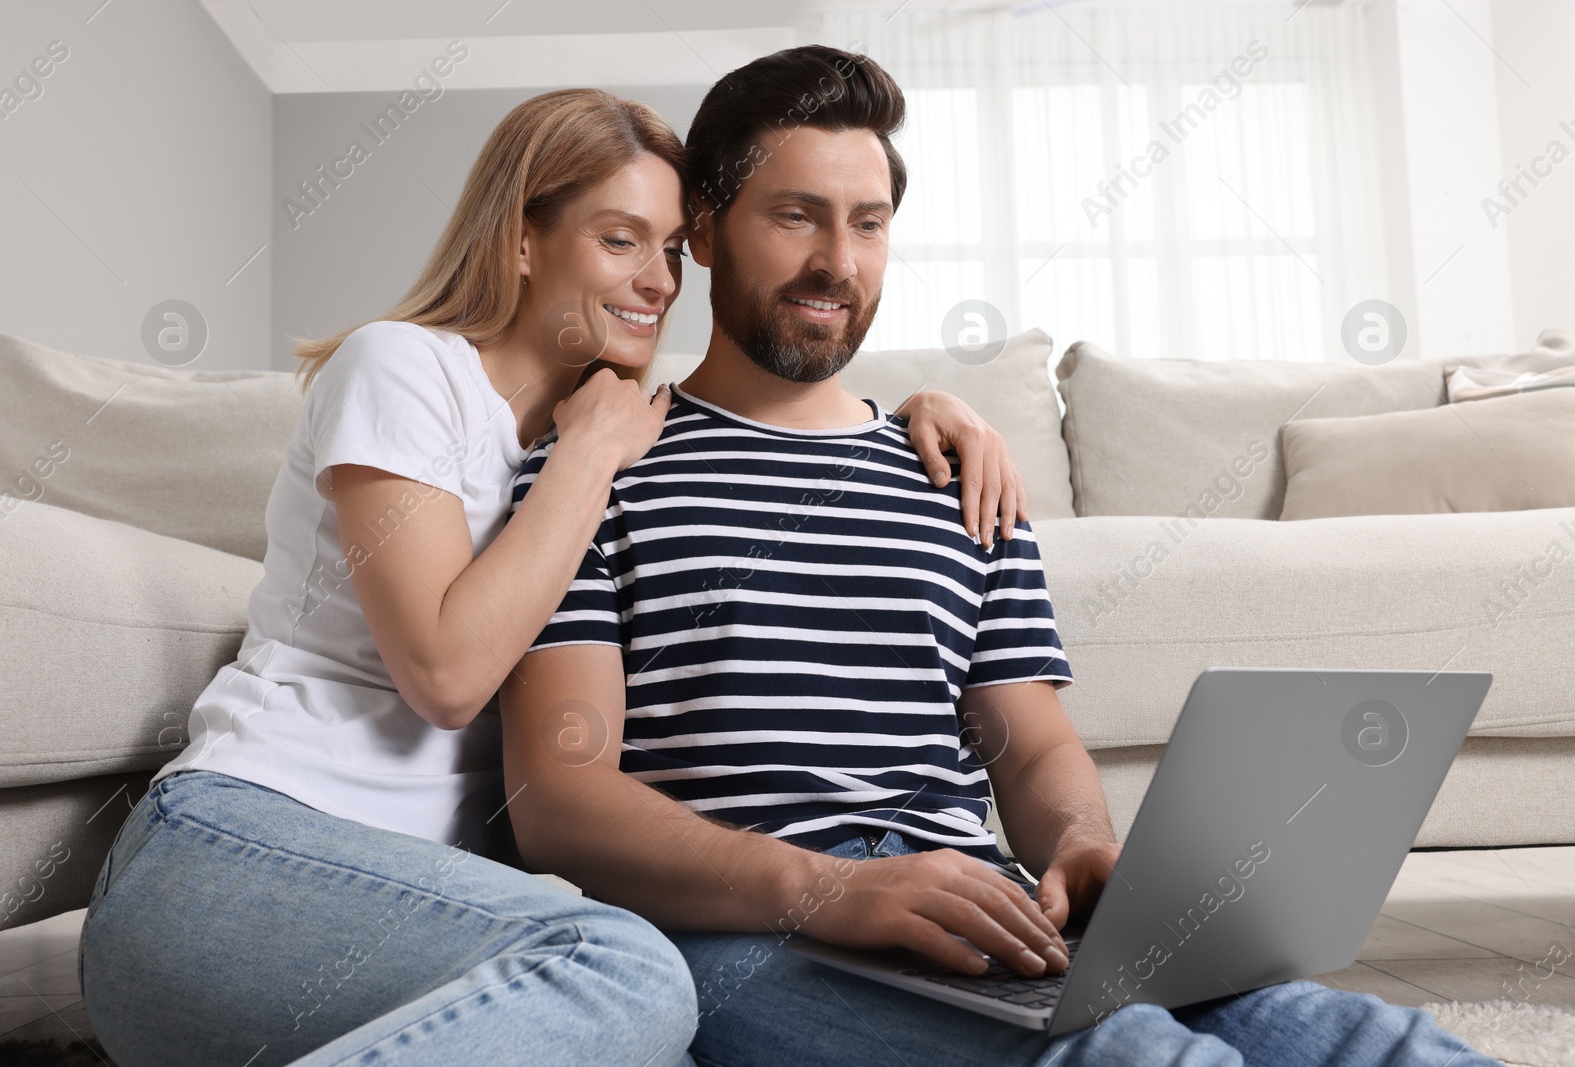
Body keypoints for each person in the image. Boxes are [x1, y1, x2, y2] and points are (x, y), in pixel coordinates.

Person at [496, 45, 1499, 1067]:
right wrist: (832, 887)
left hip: (984, 902)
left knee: (1370, 1041)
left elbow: (1030, 742)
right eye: (795, 214)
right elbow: (558, 803)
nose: (837, 261)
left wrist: (1076, 841)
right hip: (746, 929)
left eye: (869, 222)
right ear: (703, 229)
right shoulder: (594, 471)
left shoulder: (957, 473)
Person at [76, 86, 1028, 1067]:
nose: (658, 281)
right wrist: (584, 460)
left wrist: (922, 411)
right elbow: (446, 677)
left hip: (422, 925)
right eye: (620, 240)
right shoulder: (405, 368)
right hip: (235, 855)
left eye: (668, 248)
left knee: (651, 1022)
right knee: (627, 971)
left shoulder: (613, 433)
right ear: (522, 240)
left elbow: (779, 407)